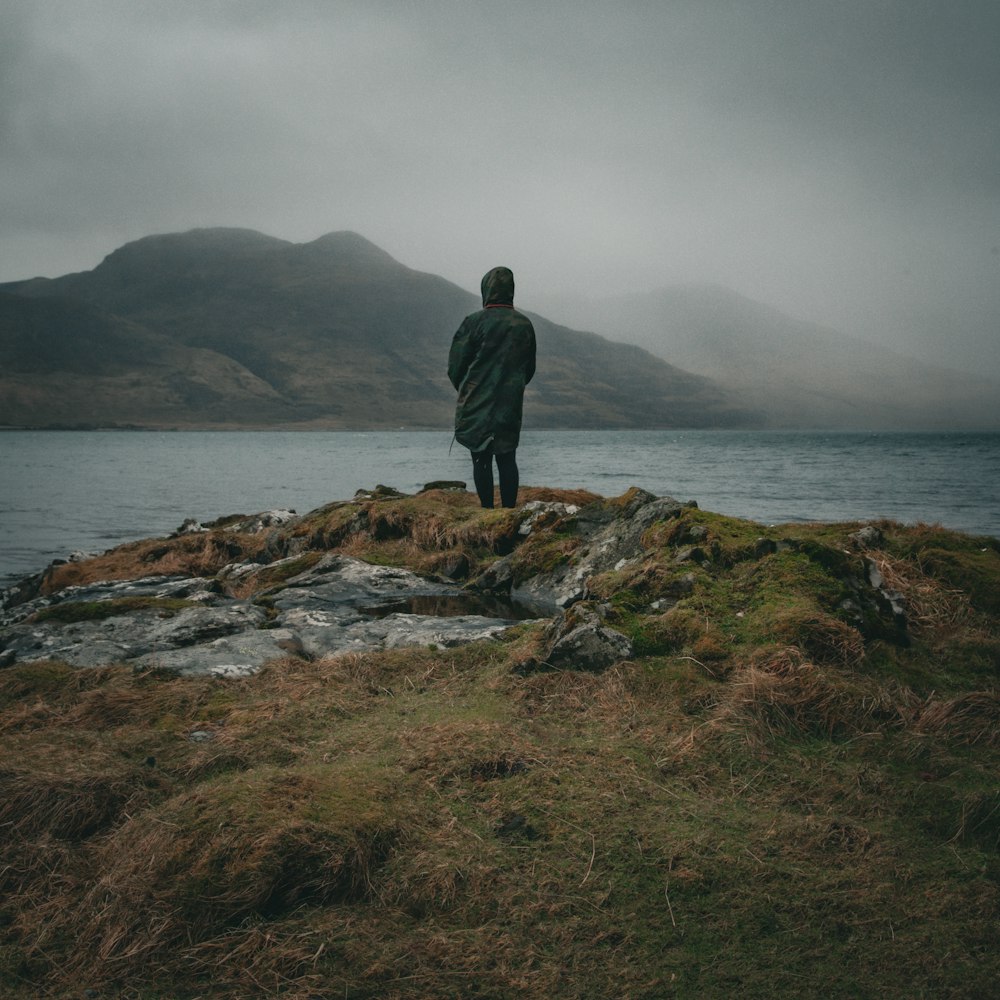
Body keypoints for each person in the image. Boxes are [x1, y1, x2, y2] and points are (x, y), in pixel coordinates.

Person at [448, 266, 536, 509]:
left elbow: (455, 366)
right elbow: (529, 368)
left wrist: (467, 389)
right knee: (508, 457)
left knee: (480, 458)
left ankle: (487, 511)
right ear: (511, 291)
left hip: (476, 400)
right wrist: (513, 387)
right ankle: (508, 512)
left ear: (486, 289)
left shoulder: (473, 322)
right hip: (510, 401)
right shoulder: (524, 324)